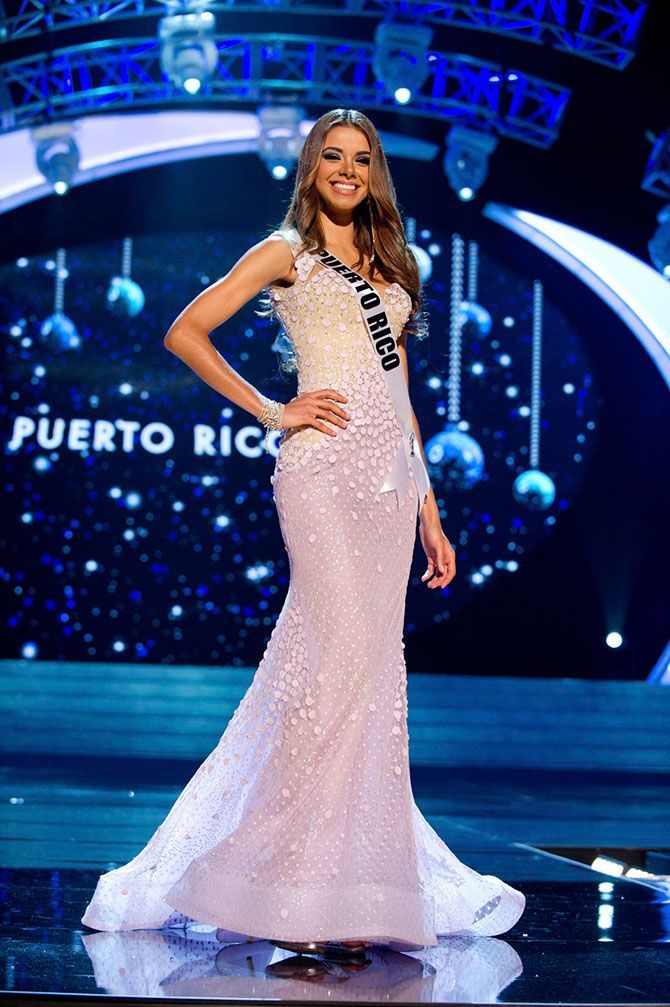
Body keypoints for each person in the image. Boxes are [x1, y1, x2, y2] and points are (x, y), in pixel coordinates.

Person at [80, 107, 526, 956]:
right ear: (312, 165)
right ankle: (288, 885)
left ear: (375, 172)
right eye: (333, 155)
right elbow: (186, 329)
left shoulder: (390, 264)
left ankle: (350, 890)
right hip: (321, 475)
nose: (348, 170)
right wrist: (274, 408)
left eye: (362, 159)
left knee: (370, 680)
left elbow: (400, 405)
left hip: (390, 489)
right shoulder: (286, 251)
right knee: (335, 665)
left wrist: (431, 510)